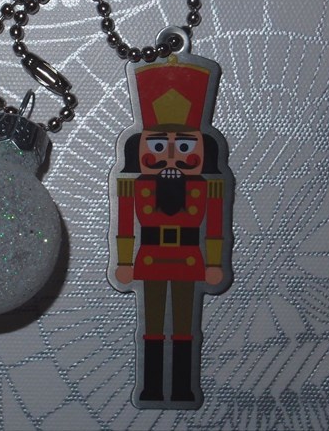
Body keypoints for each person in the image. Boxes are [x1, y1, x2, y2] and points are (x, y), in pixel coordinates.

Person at [110, 55, 232, 406]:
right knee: (150, 326)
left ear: (202, 147)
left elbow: (216, 228)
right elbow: (124, 226)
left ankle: (181, 387)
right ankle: (151, 386)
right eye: (159, 146)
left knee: (183, 326)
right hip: (148, 259)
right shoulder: (132, 185)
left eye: (185, 146)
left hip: (189, 259)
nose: (172, 156)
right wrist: (123, 261)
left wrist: (214, 263)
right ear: (141, 146)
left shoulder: (209, 186)